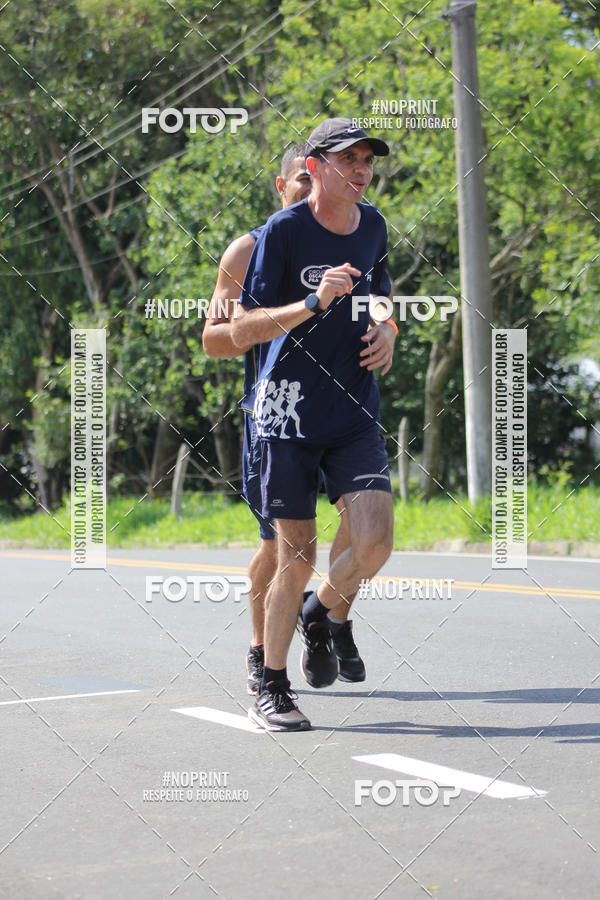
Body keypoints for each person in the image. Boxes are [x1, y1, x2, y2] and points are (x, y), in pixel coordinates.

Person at [203, 142, 396, 698]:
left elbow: (381, 296)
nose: (308, 196)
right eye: (297, 185)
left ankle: (332, 618)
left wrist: (388, 327)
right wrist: (308, 305)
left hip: (346, 409)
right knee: (282, 550)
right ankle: (264, 654)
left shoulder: (365, 228)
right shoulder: (248, 250)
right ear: (286, 185)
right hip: (276, 415)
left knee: (362, 529)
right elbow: (219, 340)